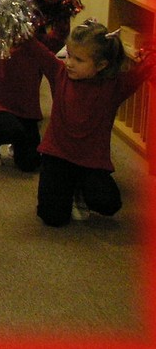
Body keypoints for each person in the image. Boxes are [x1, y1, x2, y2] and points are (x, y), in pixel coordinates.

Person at [32, 19, 154, 226]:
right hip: (57, 155)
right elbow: (36, 49)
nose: (69, 62)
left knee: (109, 204)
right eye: (69, 55)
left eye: (78, 60)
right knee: (52, 218)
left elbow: (144, 69)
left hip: (91, 161)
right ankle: (69, 187)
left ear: (101, 65)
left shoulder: (114, 86)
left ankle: (79, 189)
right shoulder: (60, 74)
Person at [0, 19, 69, 172]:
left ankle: (17, 142)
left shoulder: (38, 44)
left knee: (30, 163)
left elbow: (59, 37)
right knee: (13, 130)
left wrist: (62, 9)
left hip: (27, 111)